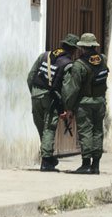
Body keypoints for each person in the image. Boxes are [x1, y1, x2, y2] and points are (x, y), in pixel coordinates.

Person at [27, 33, 79, 172]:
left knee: (42, 128)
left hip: (35, 95)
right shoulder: (68, 64)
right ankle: (46, 161)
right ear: (73, 50)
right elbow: (68, 89)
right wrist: (67, 108)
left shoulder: (44, 55)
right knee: (49, 128)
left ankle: (48, 156)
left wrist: (34, 93)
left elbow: (30, 76)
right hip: (50, 99)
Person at [62, 33, 109, 174]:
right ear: (94, 46)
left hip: (85, 103)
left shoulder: (79, 65)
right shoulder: (103, 59)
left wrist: (69, 107)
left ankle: (86, 164)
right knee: (98, 131)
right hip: (100, 101)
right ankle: (96, 165)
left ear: (82, 47)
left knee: (86, 132)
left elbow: (74, 88)